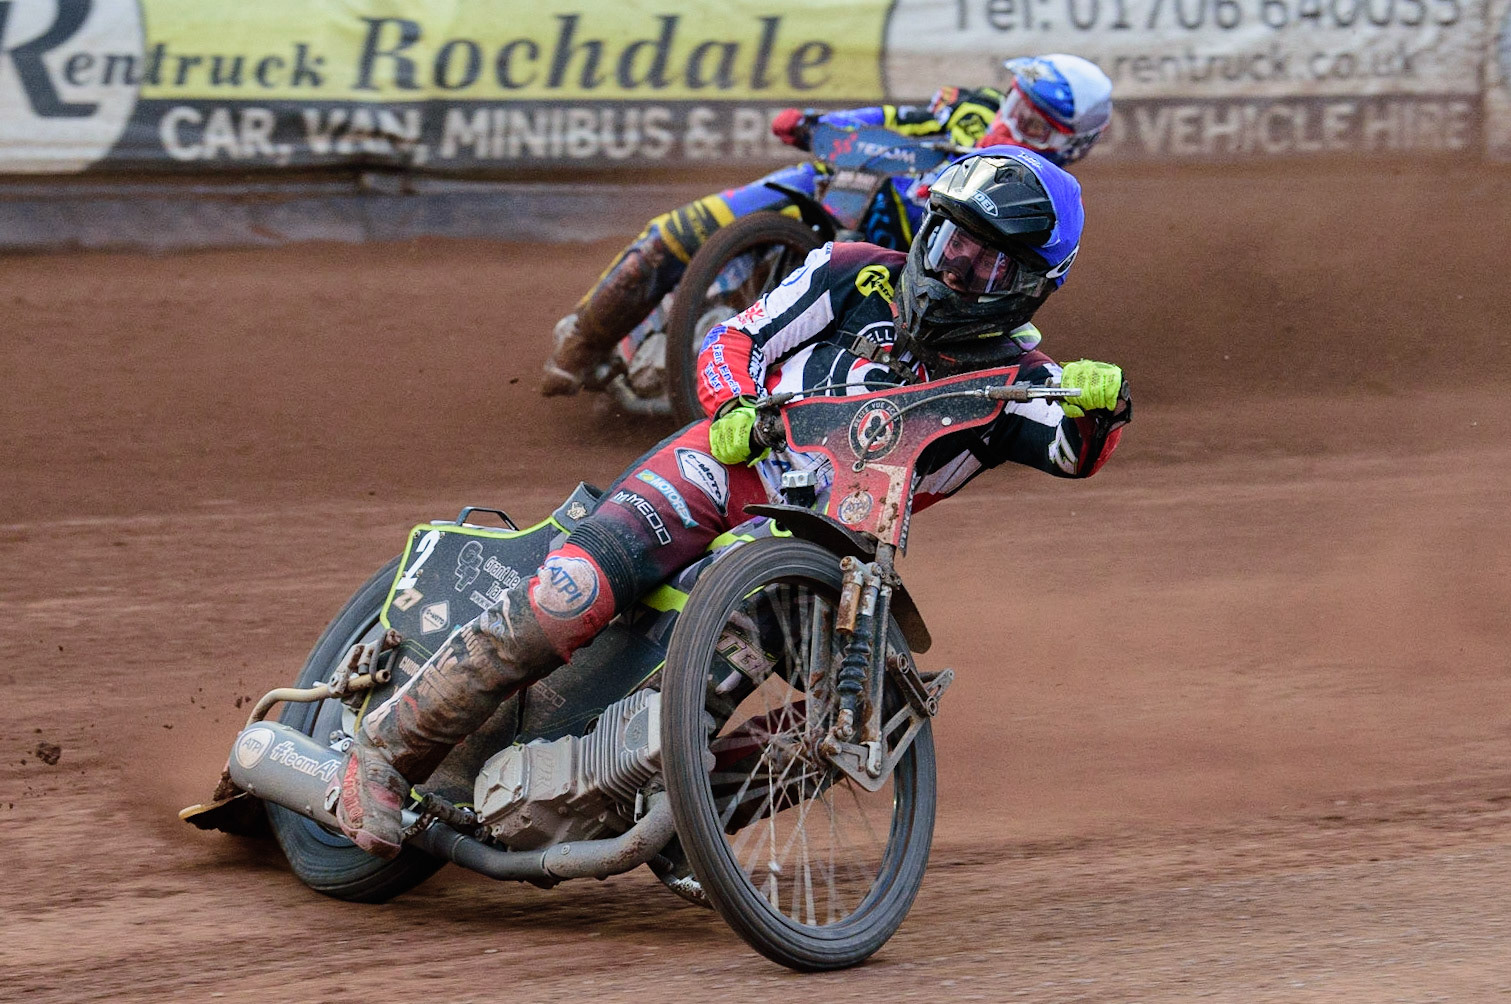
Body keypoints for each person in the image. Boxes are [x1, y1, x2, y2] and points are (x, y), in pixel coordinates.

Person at [336, 145, 1131, 857]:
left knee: (863, 724)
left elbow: (1072, 452)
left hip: (826, 559)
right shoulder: (851, 271)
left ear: (1032, 286)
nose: (958, 267)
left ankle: (685, 826)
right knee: (569, 593)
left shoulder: (1021, 380)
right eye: (952, 240)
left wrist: (1101, 408)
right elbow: (734, 340)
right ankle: (382, 755)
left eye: (988, 263)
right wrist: (733, 405)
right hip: (723, 472)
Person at [540, 53, 1114, 397]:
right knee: (672, 233)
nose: (1010, 121)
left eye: (1035, 124)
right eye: (1016, 103)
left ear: (1072, 144)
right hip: (832, 193)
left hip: (892, 278)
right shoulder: (967, 108)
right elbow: (892, 119)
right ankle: (584, 338)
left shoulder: (1050, 202)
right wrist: (817, 124)